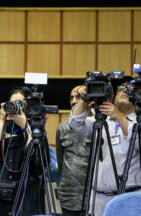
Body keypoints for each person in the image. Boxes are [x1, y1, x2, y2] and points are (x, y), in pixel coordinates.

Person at [68, 78, 141, 216]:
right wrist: (85, 97)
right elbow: (74, 122)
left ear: (137, 97)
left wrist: (119, 117)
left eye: (130, 89)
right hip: (98, 198)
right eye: (121, 88)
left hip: (129, 197)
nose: (125, 91)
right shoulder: (100, 120)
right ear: (115, 95)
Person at [0, 87, 46, 216]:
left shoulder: (35, 129)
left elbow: (40, 160)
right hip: (1, 193)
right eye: (13, 103)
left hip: (25, 195)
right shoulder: (4, 128)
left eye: (20, 104)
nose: (16, 107)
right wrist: (2, 119)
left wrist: (25, 126)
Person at [56, 85, 92, 216]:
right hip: (68, 196)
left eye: (79, 97)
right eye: (72, 98)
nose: (74, 101)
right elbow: (61, 163)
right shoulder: (62, 128)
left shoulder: (98, 127)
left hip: (92, 196)